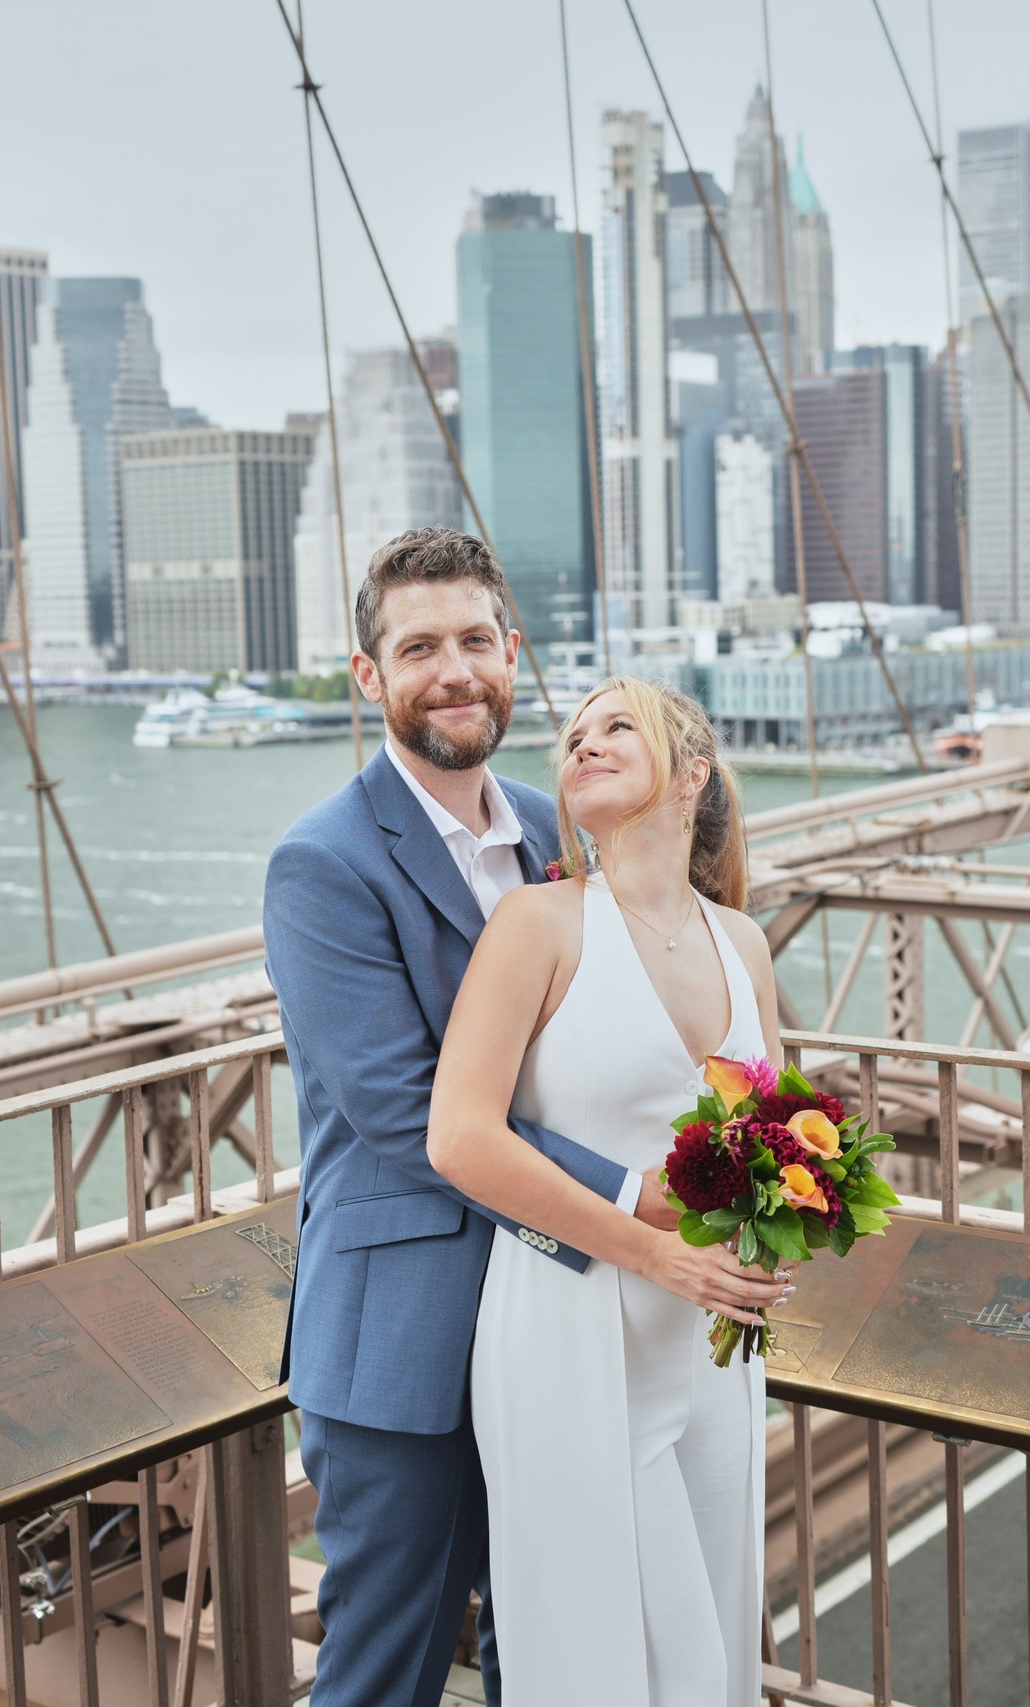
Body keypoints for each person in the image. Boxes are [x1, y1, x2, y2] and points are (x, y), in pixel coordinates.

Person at [261, 528, 783, 1707]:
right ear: (368, 676)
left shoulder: (570, 826)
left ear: (512, 653)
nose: (452, 669)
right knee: (385, 1668)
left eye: (474, 640)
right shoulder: (323, 864)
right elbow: (406, 1113)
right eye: (417, 648)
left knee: (552, 1652)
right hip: (414, 1330)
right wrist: (644, 1205)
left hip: (588, 1332)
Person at [428, 674, 785, 1706]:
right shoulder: (536, 925)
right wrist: (653, 1249)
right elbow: (459, 1138)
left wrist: (782, 1222)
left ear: (693, 776)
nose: (584, 743)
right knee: (613, 1658)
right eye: (574, 734)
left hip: (715, 1345)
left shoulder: (742, 942)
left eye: (618, 726)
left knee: (712, 1649)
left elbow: (764, 1144)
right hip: (570, 1328)